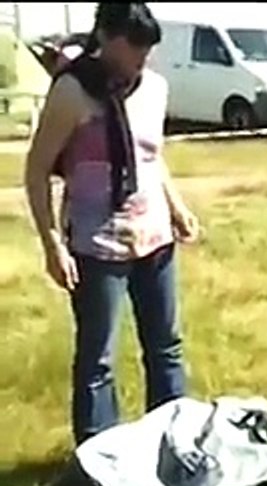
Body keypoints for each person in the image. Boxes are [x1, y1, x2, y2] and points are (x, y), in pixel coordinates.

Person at [24, 2, 200, 446]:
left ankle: (172, 445)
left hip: (154, 237)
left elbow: (151, 157)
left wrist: (176, 208)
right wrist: (52, 245)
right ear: (104, 37)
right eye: (134, 46)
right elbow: (37, 169)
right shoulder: (72, 92)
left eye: (148, 48)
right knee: (97, 359)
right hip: (96, 243)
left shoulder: (154, 87)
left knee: (166, 348)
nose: (143, 57)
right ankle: (98, 456)